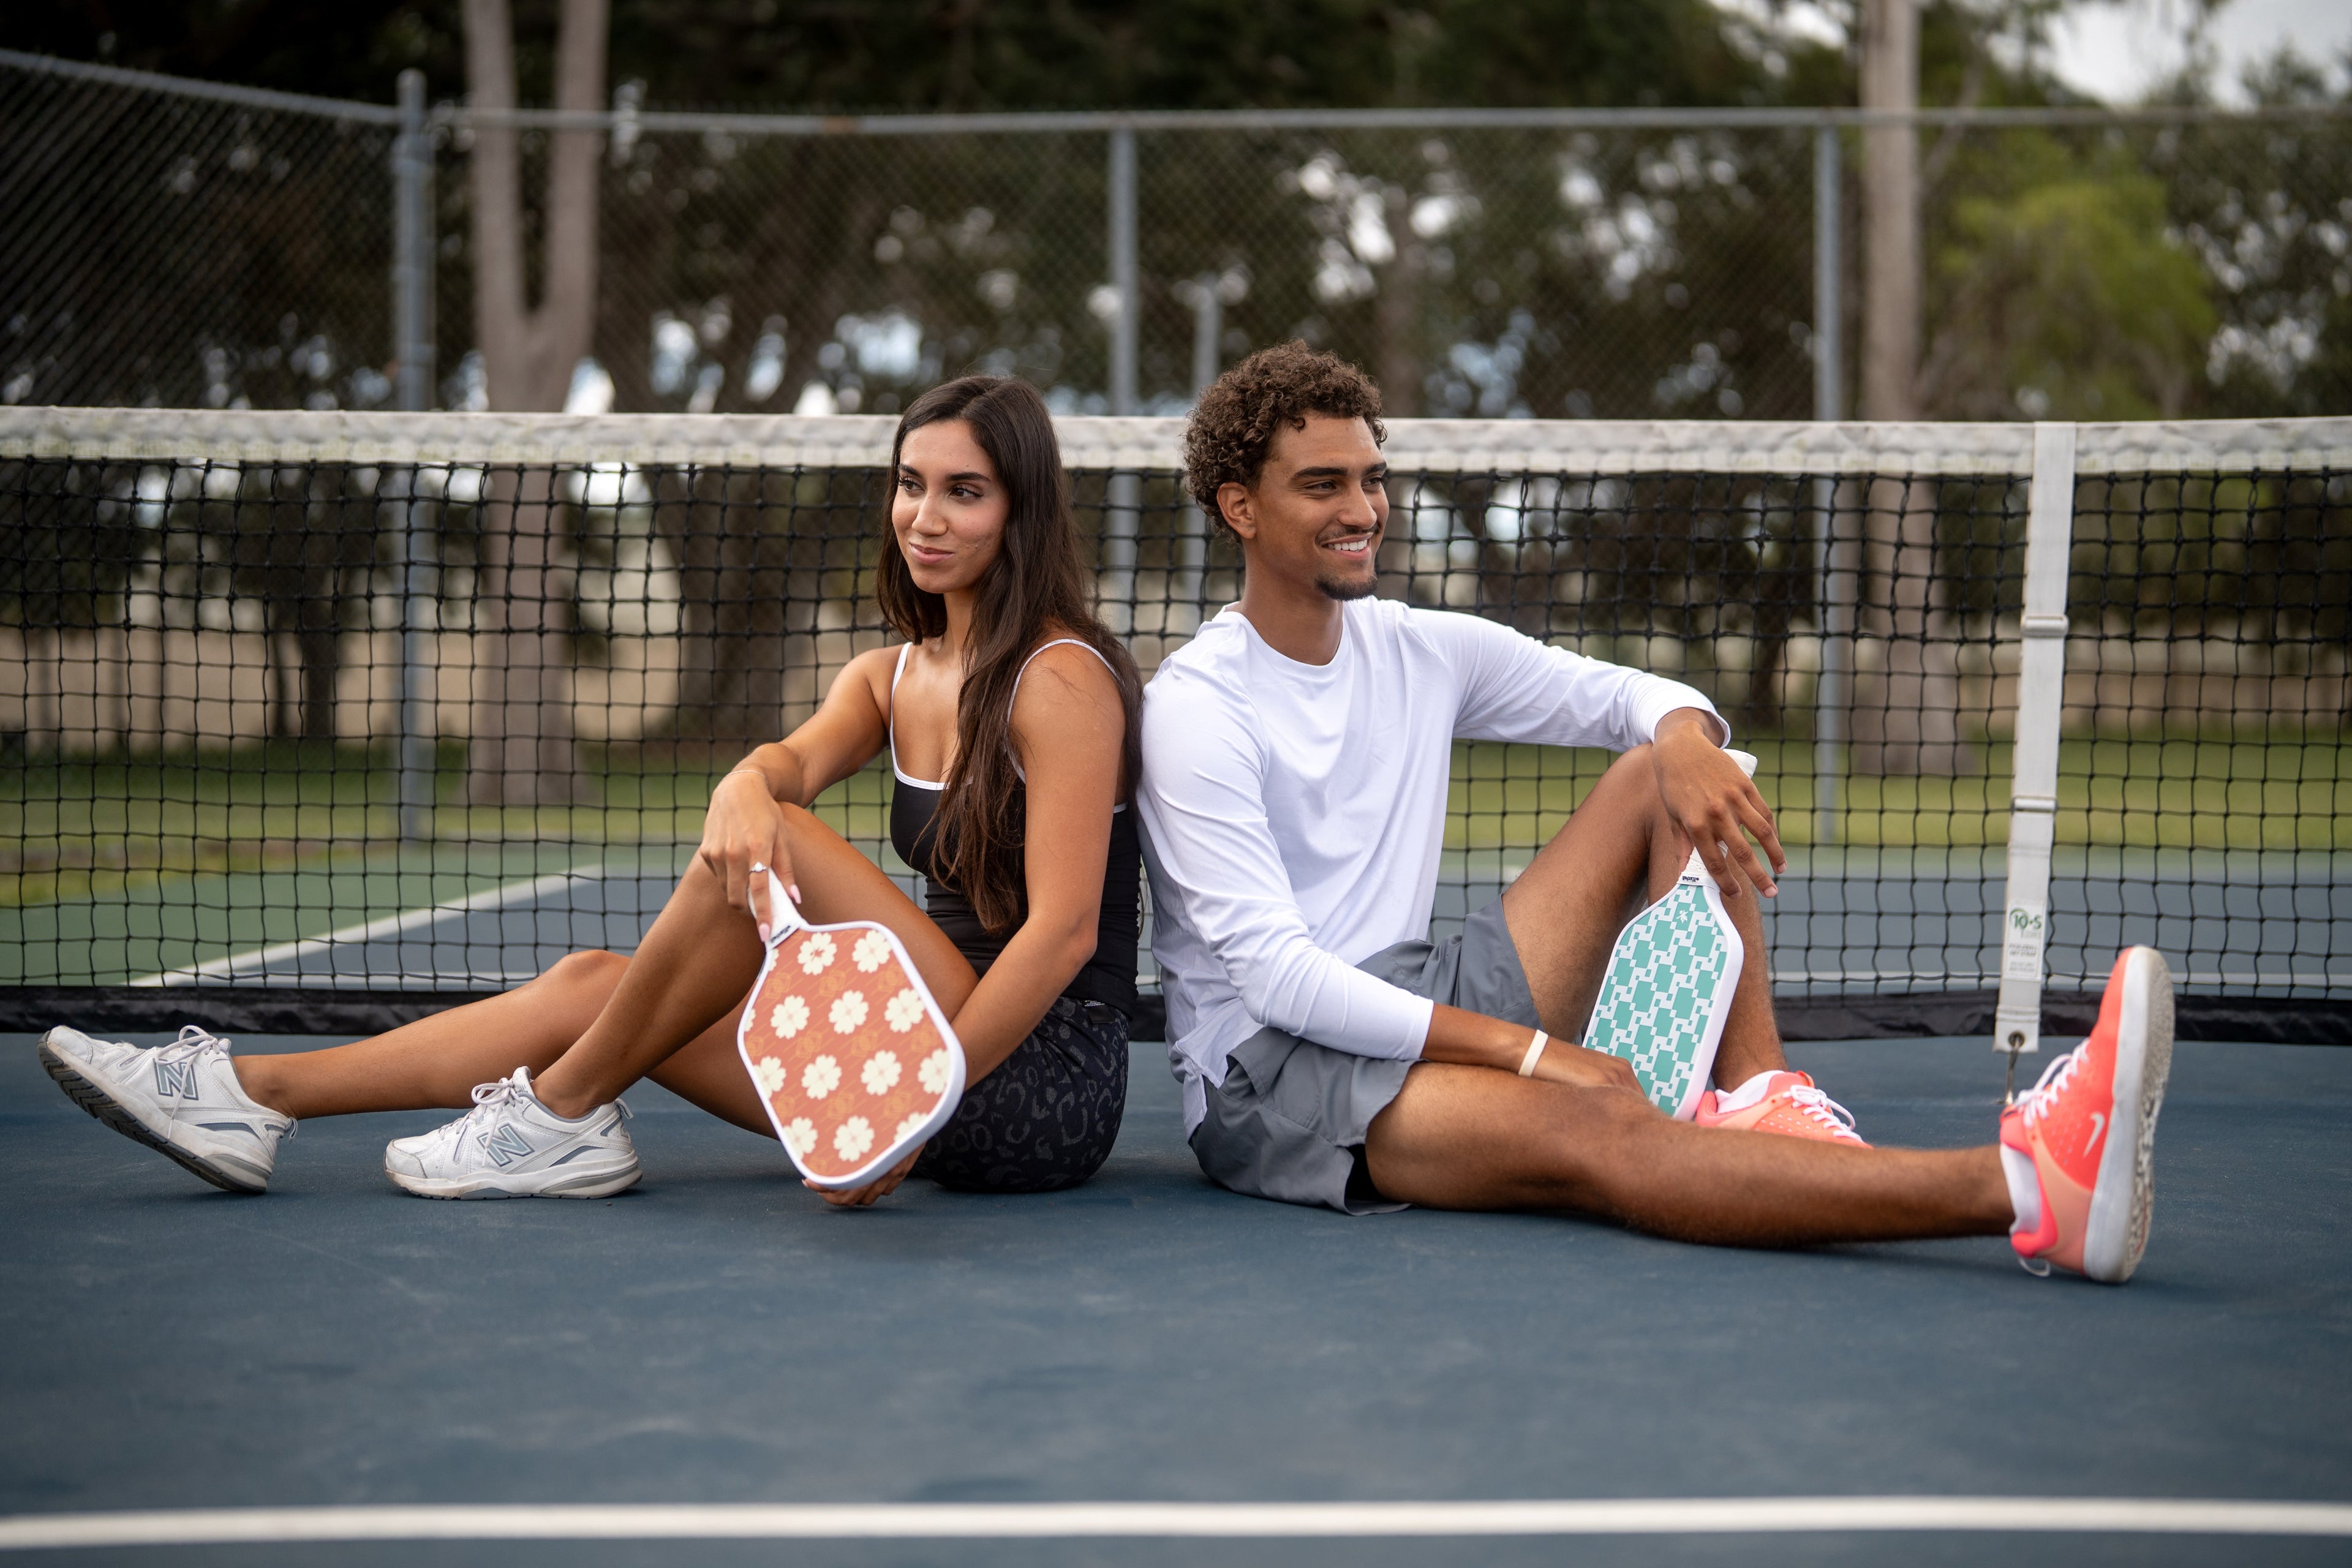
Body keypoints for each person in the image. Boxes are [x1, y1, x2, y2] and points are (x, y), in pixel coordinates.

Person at [1137, 342, 2171, 1283]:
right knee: (1604, 1137)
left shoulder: (1419, 648)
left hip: (1421, 992)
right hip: (1274, 1073)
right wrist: (1542, 1059)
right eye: (1322, 485)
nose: (1361, 508)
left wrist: (1683, 737)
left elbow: (1636, 698)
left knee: (1658, 770)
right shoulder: (1199, 706)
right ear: (1239, 507)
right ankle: (2030, 1187)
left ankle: (1761, 1094)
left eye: (1372, 478)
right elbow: (1278, 977)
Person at [41, 375, 1144, 1208]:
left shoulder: (1059, 680)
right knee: (590, 983)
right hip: (903, 1045)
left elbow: (1060, 937)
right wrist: (745, 782)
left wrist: (908, 1115)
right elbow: (781, 769)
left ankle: (560, 1113)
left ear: (1021, 510)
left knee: (786, 840)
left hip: (1030, 1080)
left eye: (966, 493)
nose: (927, 518)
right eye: (911, 484)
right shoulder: (888, 676)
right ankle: (245, 1099)